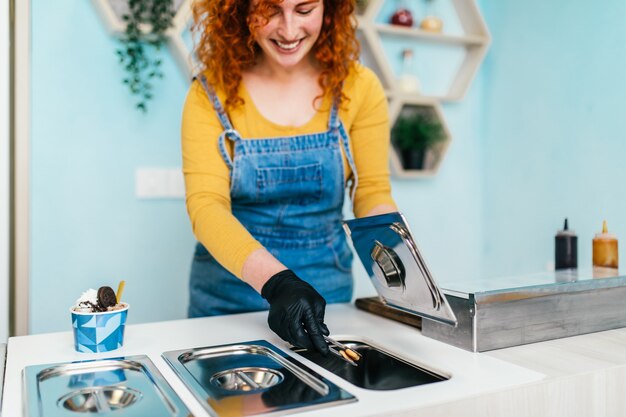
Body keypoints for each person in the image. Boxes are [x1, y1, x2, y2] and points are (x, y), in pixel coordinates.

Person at [181, 0, 397, 354]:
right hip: (227, 298)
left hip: (326, 295)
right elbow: (206, 206)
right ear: (239, 9)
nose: (289, 30)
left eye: (304, 9)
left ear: (331, 8)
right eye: (270, 10)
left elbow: (372, 191)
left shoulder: (358, 87)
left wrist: (400, 261)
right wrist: (277, 282)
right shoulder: (210, 93)